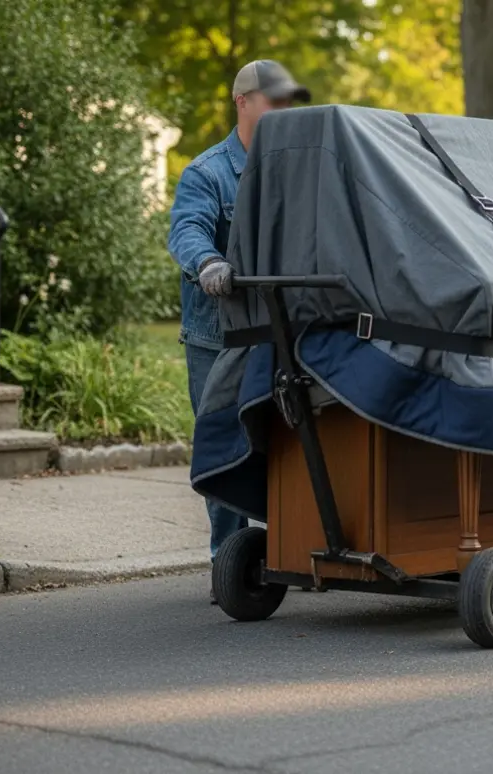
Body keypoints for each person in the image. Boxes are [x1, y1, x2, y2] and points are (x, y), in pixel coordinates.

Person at [168, 60, 311, 600]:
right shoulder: (206, 173)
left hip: (284, 333)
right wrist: (208, 263)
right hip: (220, 338)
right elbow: (187, 230)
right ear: (242, 102)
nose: (284, 111)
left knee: (293, 441)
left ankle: (294, 552)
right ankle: (231, 569)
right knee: (228, 446)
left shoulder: (300, 170)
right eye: (274, 101)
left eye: (288, 102)